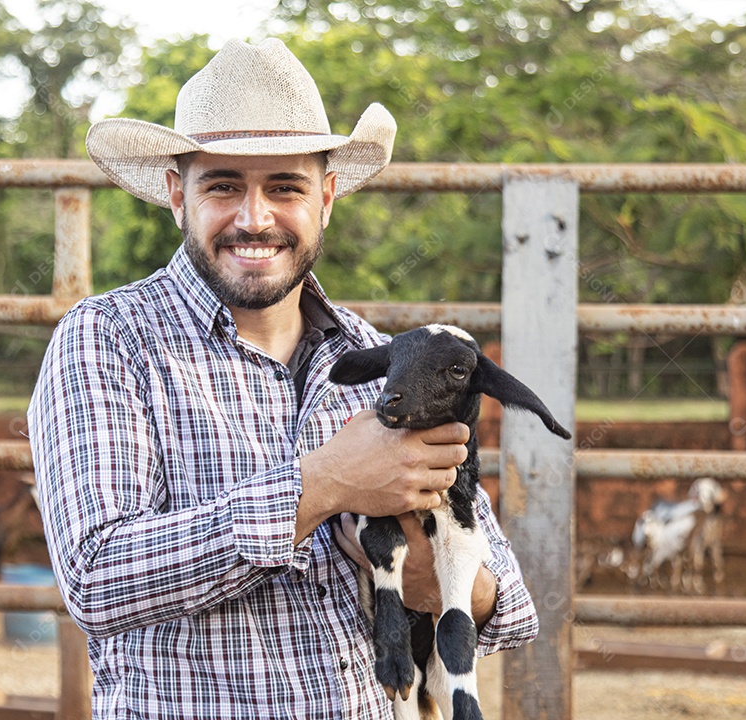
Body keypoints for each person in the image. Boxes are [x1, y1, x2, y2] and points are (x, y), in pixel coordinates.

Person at [28, 38, 537, 719]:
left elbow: (510, 607)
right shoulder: (109, 341)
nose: (254, 218)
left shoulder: (386, 359)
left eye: (285, 187)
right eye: (224, 184)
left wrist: (441, 582)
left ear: (326, 197)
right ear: (177, 194)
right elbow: (95, 577)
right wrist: (325, 485)